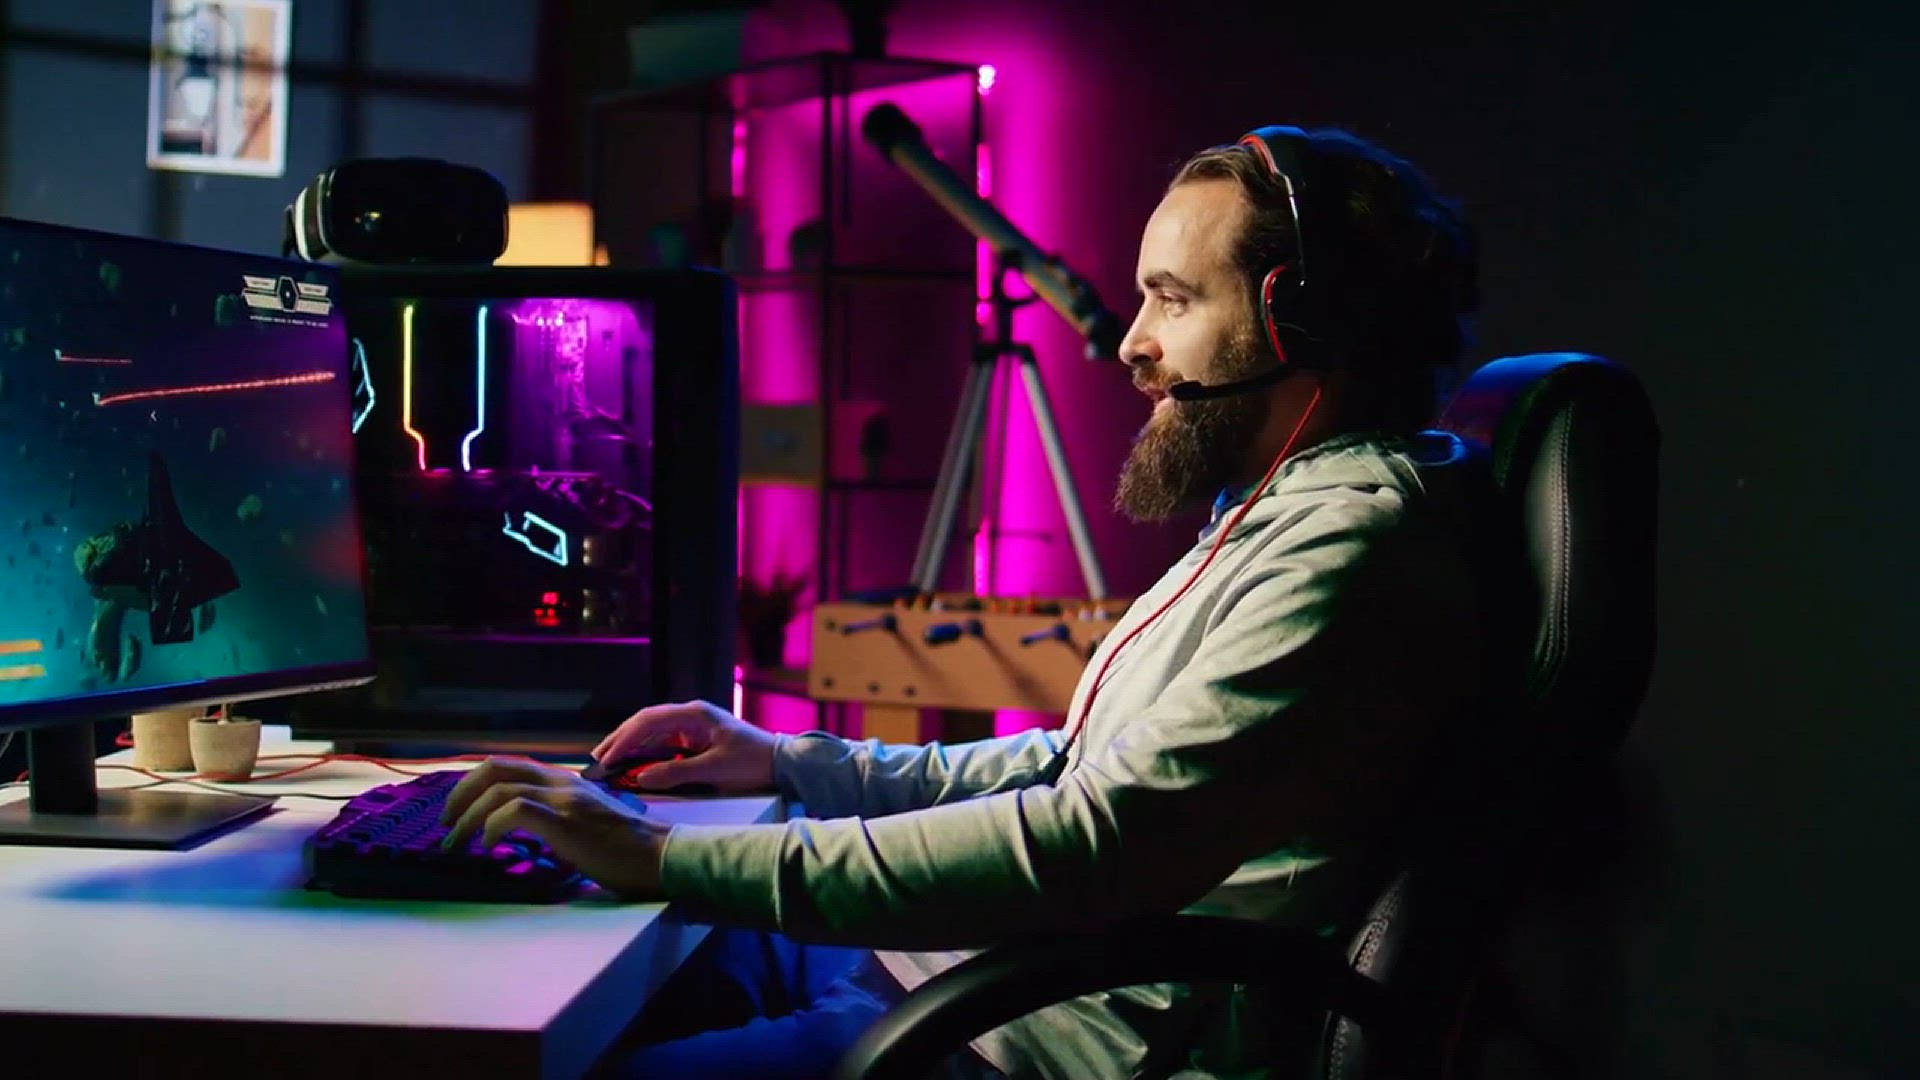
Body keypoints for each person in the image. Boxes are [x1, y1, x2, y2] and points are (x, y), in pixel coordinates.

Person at [440, 124, 1486, 1079]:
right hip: (959, 977)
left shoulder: (1351, 551)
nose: (1133, 343)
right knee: (562, 989)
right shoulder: (1275, 512)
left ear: (1300, 320)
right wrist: (788, 760)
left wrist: (659, 854)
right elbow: (1068, 765)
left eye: (1173, 299)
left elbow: (1095, 841)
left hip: (1032, 1039)